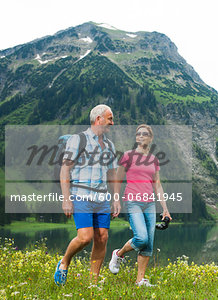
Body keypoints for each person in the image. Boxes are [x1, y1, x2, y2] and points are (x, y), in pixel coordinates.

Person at [54, 104, 121, 285]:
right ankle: (65, 261)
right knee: (85, 237)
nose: (112, 123)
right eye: (110, 118)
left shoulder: (109, 145)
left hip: (102, 198)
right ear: (98, 119)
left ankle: (93, 282)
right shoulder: (78, 140)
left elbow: (113, 174)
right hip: (81, 195)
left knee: (102, 237)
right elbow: (65, 170)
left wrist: (116, 199)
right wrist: (66, 199)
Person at [108, 124, 172, 287]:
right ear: (136, 138)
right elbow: (118, 179)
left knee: (148, 244)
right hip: (133, 201)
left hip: (149, 203)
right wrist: (116, 200)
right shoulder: (127, 156)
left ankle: (140, 280)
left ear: (151, 138)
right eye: (139, 134)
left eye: (145, 134)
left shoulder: (154, 160)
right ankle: (119, 254)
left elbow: (157, 184)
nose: (141, 136)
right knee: (141, 237)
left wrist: (164, 208)